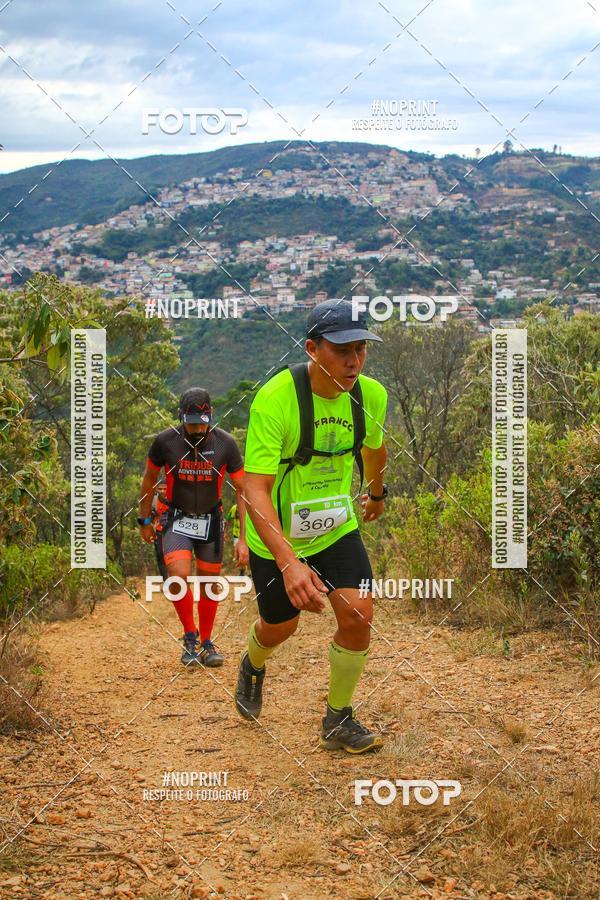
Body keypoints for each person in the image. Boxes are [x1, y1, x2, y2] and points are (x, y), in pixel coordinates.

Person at [236, 299, 388, 753]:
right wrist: (288, 564)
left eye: (360, 348)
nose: (354, 360)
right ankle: (252, 662)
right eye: (342, 350)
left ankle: (338, 717)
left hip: (335, 528)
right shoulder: (276, 399)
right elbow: (255, 489)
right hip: (277, 535)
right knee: (280, 627)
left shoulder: (370, 396)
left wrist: (376, 493)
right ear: (312, 349)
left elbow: (374, 449)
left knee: (359, 613)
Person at [138, 388, 248, 666]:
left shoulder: (226, 444)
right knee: (178, 574)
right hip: (176, 517)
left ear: (211, 416)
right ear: (180, 417)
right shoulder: (165, 442)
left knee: (210, 583)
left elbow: (243, 491)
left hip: (211, 519)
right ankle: (190, 636)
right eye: (192, 422)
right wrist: (144, 520)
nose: (198, 428)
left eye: (203, 421)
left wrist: (242, 538)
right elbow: (149, 480)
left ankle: (207, 642)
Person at [225, 502, 247, 582]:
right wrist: (225, 532)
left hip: (248, 535)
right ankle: (241, 572)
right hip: (237, 535)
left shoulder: (249, 506)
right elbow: (228, 519)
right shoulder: (234, 508)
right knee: (238, 554)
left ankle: (251, 572)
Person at [152, 481, 168, 580]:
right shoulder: (153, 501)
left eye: (165, 489)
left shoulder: (174, 500)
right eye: (160, 489)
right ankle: (165, 580)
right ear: (157, 490)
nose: (162, 491)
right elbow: (149, 517)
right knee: (160, 555)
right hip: (158, 532)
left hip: (172, 531)